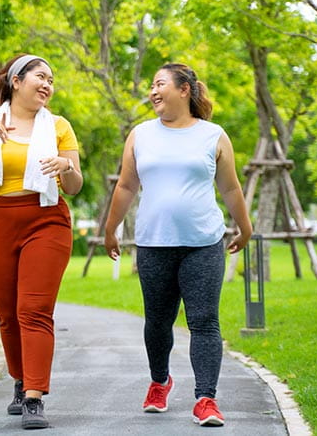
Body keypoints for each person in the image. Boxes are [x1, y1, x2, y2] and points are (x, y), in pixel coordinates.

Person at [103, 62, 252, 427]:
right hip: (154, 243)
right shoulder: (141, 135)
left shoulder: (213, 135)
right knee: (158, 321)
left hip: (203, 242)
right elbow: (125, 186)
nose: (153, 92)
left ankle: (206, 398)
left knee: (204, 321)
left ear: (184, 89)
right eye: (151, 87)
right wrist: (111, 229)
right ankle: (160, 381)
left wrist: (245, 228)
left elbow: (230, 188)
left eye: (159, 84)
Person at [0, 54, 83, 430]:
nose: (47, 85)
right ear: (16, 81)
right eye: (40, 77)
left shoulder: (59, 126)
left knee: (34, 309)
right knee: (8, 314)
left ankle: (34, 396)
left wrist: (68, 168)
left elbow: (75, 187)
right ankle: (19, 379)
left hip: (47, 219)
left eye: (51, 80)